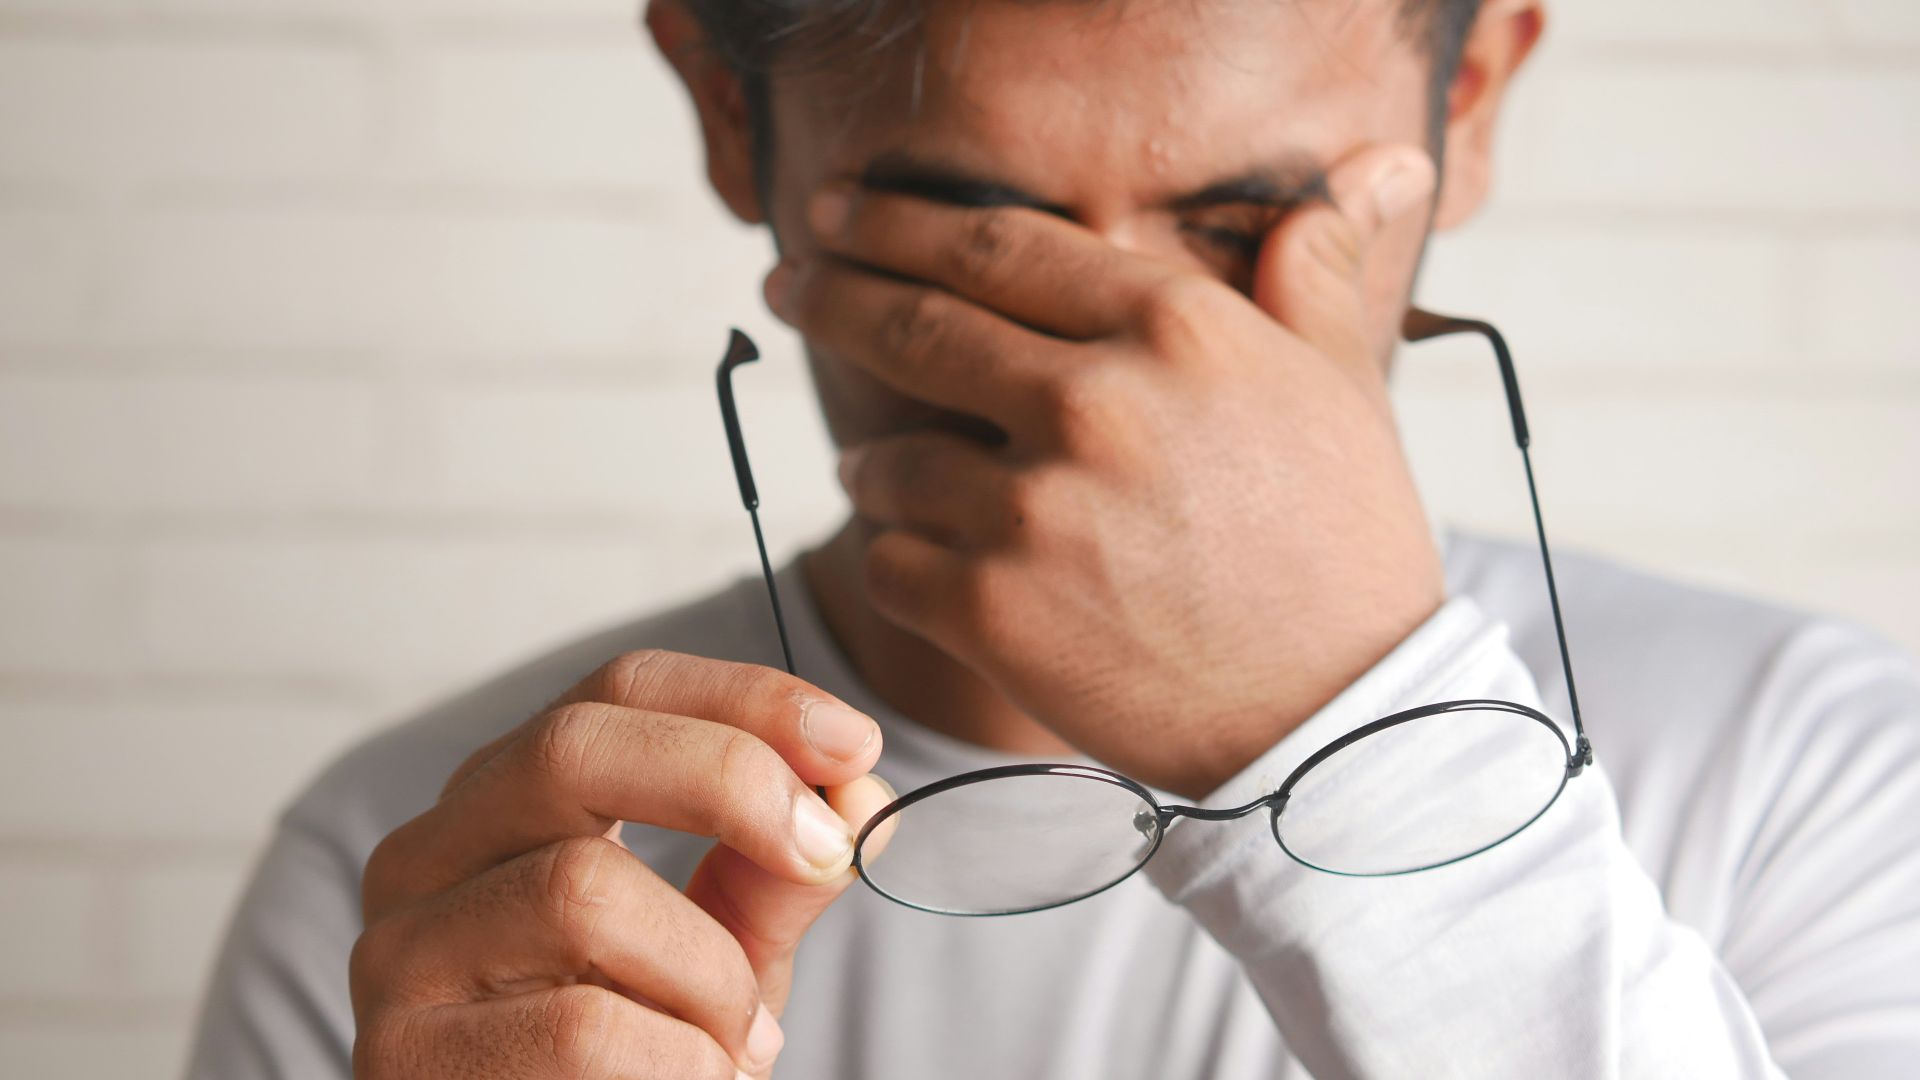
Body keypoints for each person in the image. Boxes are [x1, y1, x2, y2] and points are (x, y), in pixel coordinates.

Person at [186, 0, 1920, 1075]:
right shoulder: (451, 885)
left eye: (1247, 218)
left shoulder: (1819, 783)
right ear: (732, 116)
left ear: (1468, 104)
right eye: (974, 231)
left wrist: (1350, 726)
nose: (1126, 361)